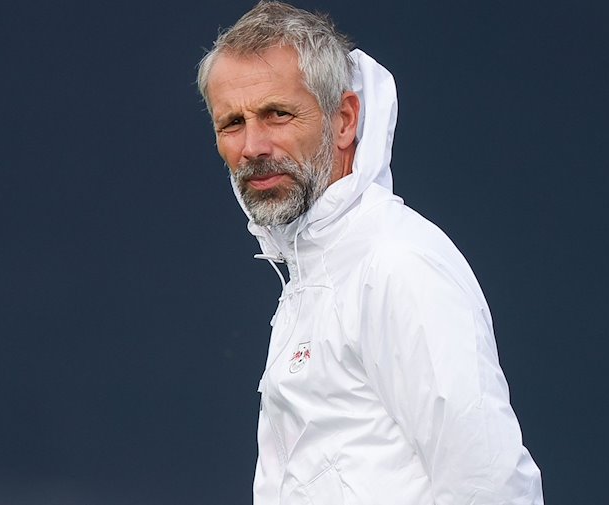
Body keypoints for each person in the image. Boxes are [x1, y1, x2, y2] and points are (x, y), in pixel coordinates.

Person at [196, 2, 544, 503]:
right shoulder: (314, 269)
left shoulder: (396, 262)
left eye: (277, 114)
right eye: (232, 122)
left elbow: (490, 485)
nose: (253, 145)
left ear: (344, 120)